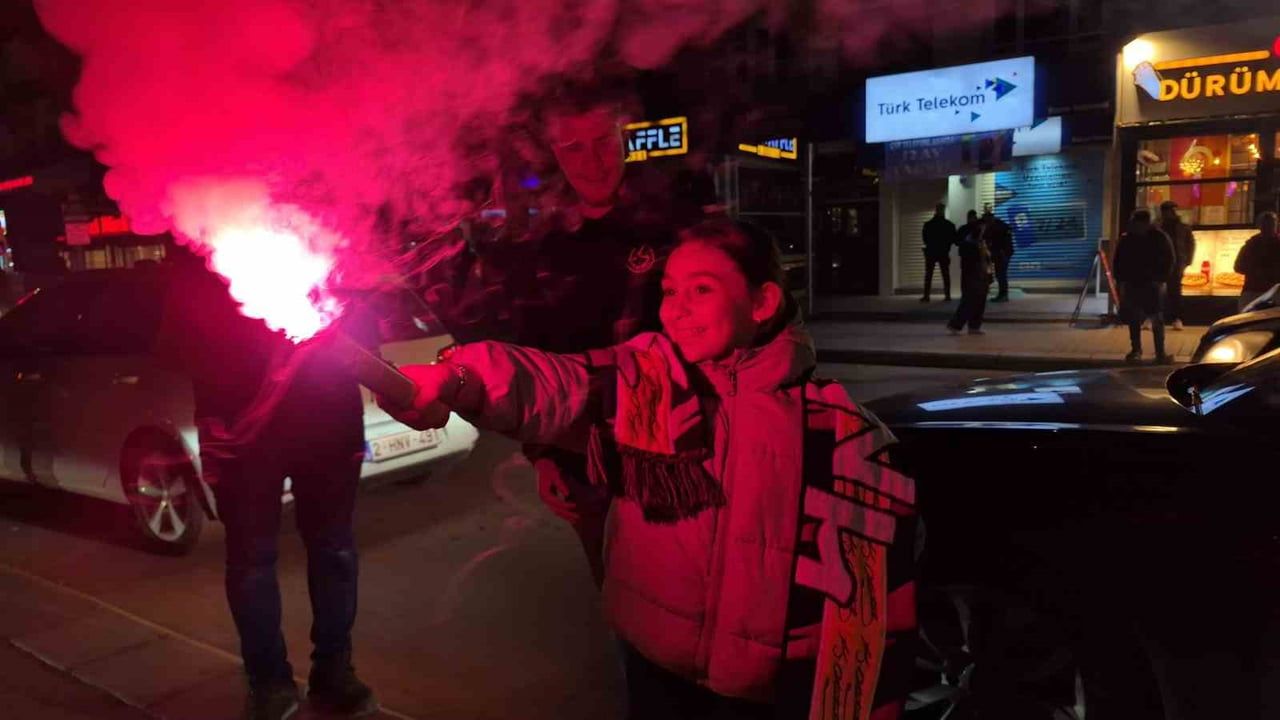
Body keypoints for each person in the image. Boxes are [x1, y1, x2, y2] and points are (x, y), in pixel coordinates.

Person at [382, 219, 917, 720]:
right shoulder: (644, 380)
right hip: (654, 673)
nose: (677, 309)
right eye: (669, 292)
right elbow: (551, 383)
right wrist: (456, 380)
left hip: (775, 696)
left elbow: (869, 609)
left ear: (762, 301)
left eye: (701, 289)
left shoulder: (840, 432)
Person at [411, 77, 696, 587]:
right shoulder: (548, 250)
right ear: (557, 153)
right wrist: (545, 457)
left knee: (692, 602)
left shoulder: (674, 227)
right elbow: (537, 358)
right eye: (573, 147)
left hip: (680, 451)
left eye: (602, 141)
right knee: (621, 599)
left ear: (624, 135)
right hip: (584, 458)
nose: (591, 161)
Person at [153, 246, 378, 720]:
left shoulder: (330, 240)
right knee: (253, 559)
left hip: (329, 418)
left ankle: (335, 672)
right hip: (243, 432)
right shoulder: (205, 250)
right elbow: (175, 349)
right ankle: (269, 682)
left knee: (335, 549)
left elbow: (365, 330)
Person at [1114, 208, 1176, 365]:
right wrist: (1121, 280)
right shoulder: (1128, 238)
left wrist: (1161, 278)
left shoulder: (1159, 237)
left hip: (1152, 283)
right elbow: (1119, 261)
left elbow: (1169, 259)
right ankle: (1136, 350)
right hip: (1134, 283)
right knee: (1134, 318)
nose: (1137, 227)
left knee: (1156, 318)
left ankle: (1160, 352)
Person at [947, 210, 991, 335]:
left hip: (981, 274)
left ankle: (974, 326)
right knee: (970, 299)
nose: (984, 230)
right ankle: (956, 324)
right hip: (973, 273)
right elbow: (972, 258)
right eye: (983, 227)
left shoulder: (981, 242)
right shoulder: (969, 242)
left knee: (980, 299)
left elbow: (986, 260)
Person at [1158, 200, 1195, 330]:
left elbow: (1190, 245)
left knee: (1175, 292)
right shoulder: (1158, 227)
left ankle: (1176, 318)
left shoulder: (1182, 228)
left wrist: (1186, 262)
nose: (1168, 213)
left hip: (1176, 263)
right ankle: (1155, 317)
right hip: (1161, 263)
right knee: (1158, 292)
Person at [1234, 211, 1280, 312]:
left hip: (1252, 290)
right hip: (1273, 291)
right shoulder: (1251, 245)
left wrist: (1254, 271)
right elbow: (1238, 266)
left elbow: (1238, 267)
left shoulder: (1251, 245)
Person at [921, 202, 956, 302]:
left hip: (931, 251)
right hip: (943, 251)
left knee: (929, 274)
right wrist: (946, 246)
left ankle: (926, 296)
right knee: (945, 274)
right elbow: (953, 239)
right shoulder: (949, 225)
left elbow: (925, 239)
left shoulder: (928, 225)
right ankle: (947, 295)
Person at [982, 207, 1014, 302]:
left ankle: (1003, 295)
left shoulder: (997, 227)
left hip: (1002, 254)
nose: (986, 223)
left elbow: (1000, 241)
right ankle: (1002, 294)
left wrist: (1001, 252)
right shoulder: (997, 225)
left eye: (986, 220)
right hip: (1002, 253)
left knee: (1001, 274)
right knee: (1000, 274)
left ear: (990, 219)